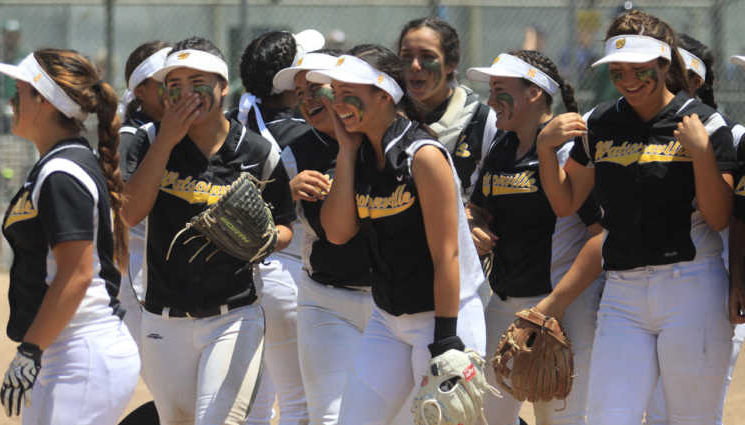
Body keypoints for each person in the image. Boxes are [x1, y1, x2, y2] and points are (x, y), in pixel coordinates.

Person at [533, 10, 735, 424]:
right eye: (618, 71)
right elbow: (566, 202)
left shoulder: (705, 123)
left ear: (665, 65)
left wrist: (700, 153)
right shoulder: (600, 123)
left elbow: (718, 217)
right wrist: (543, 150)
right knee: (608, 417)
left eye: (640, 70)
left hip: (692, 286)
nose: (627, 81)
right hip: (622, 293)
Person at [120, 36, 295, 425]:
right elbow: (129, 213)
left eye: (197, 83)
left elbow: (285, 226)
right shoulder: (148, 140)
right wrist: (165, 141)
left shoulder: (257, 152)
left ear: (222, 87)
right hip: (163, 318)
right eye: (175, 86)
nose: (186, 95)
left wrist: (264, 241)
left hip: (233, 315)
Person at [309, 44, 486, 425]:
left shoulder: (422, 155)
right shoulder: (358, 151)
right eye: (335, 94)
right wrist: (344, 150)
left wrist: (446, 342)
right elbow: (337, 233)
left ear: (385, 93)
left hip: (444, 317)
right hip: (387, 319)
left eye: (350, 93)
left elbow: (447, 256)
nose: (339, 104)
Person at [0, 48, 140, 424]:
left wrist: (30, 350)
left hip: (81, 352)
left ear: (42, 100)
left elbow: (76, 275)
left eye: (19, 92)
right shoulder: (57, 164)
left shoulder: (61, 173)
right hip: (66, 350)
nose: (11, 101)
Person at [464, 50, 603, 425]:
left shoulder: (568, 148)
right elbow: (478, 207)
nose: (490, 100)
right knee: (484, 415)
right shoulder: (501, 147)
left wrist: (553, 306)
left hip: (562, 306)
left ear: (534, 93)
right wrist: (474, 223)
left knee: (559, 418)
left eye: (499, 89)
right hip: (506, 301)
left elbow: (601, 238)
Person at [644, 33, 745, 425]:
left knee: (694, 412)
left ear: (696, 81)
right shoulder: (643, 135)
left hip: (711, 291)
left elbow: (731, 216)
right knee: (659, 410)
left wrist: (734, 277)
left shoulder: (730, 136)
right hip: (655, 293)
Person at [271, 49, 374, 424]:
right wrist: (287, 191)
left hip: (390, 300)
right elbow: (273, 225)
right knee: (329, 416)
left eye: (316, 87)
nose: (307, 99)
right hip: (326, 298)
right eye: (299, 93)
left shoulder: (381, 139)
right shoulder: (296, 153)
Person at [237, 29, 325, 425]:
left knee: (256, 401)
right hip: (289, 273)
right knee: (301, 403)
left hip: (247, 276)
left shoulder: (233, 122)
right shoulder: (305, 132)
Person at [115, 40, 172, 425]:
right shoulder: (132, 136)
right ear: (140, 89)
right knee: (174, 398)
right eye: (165, 80)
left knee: (184, 397)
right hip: (139, 276)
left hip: (166, 274)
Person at [397, 17, 499, 202]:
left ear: (451, 63)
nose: (414, 65)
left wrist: (474, 215)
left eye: (427, 57)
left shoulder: (481, 120)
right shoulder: (385, 116)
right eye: (406, 56)